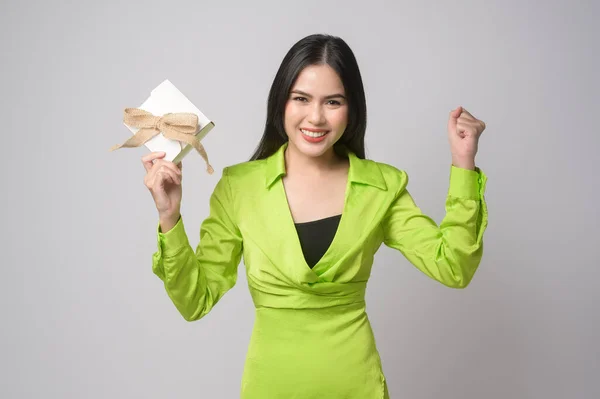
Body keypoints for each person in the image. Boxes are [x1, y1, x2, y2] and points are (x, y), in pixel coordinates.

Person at [141, 33, 488, 399]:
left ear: (351, 108)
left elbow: (454, 266)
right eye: (301, 98)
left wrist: (463, 163)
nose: (316, 117)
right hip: (270, 387)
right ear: (281, 102)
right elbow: (195, 300)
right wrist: (169, 217)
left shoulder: (382, 185)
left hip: (357, 386)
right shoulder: (238, 188)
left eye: (333, 101)